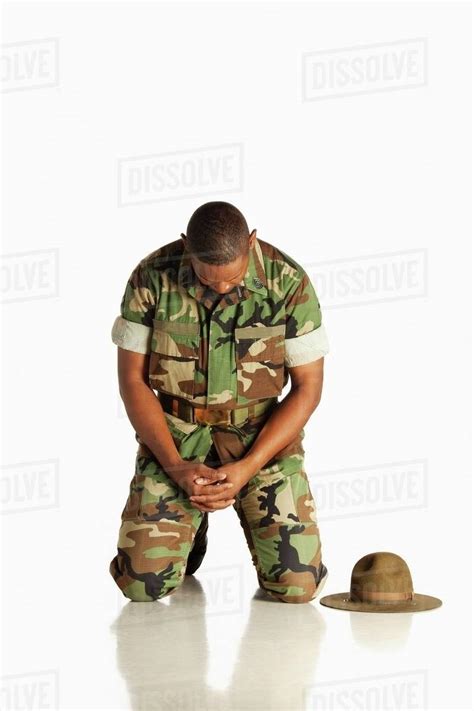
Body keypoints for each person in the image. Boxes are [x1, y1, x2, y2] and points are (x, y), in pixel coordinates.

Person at [109, 201, 330, 603]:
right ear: (186, 248)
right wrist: (175, 467)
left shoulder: (288, 282)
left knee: (298, 589)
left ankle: (209, 512)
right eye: (208, 281)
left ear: (251, 243)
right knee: (142, 586)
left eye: (233, 280)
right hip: (175, 438)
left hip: (260, 437)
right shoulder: (151, 278)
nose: (223, 289)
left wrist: (247, 467)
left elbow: (307, 389)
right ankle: (189, 528)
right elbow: (132, 381)